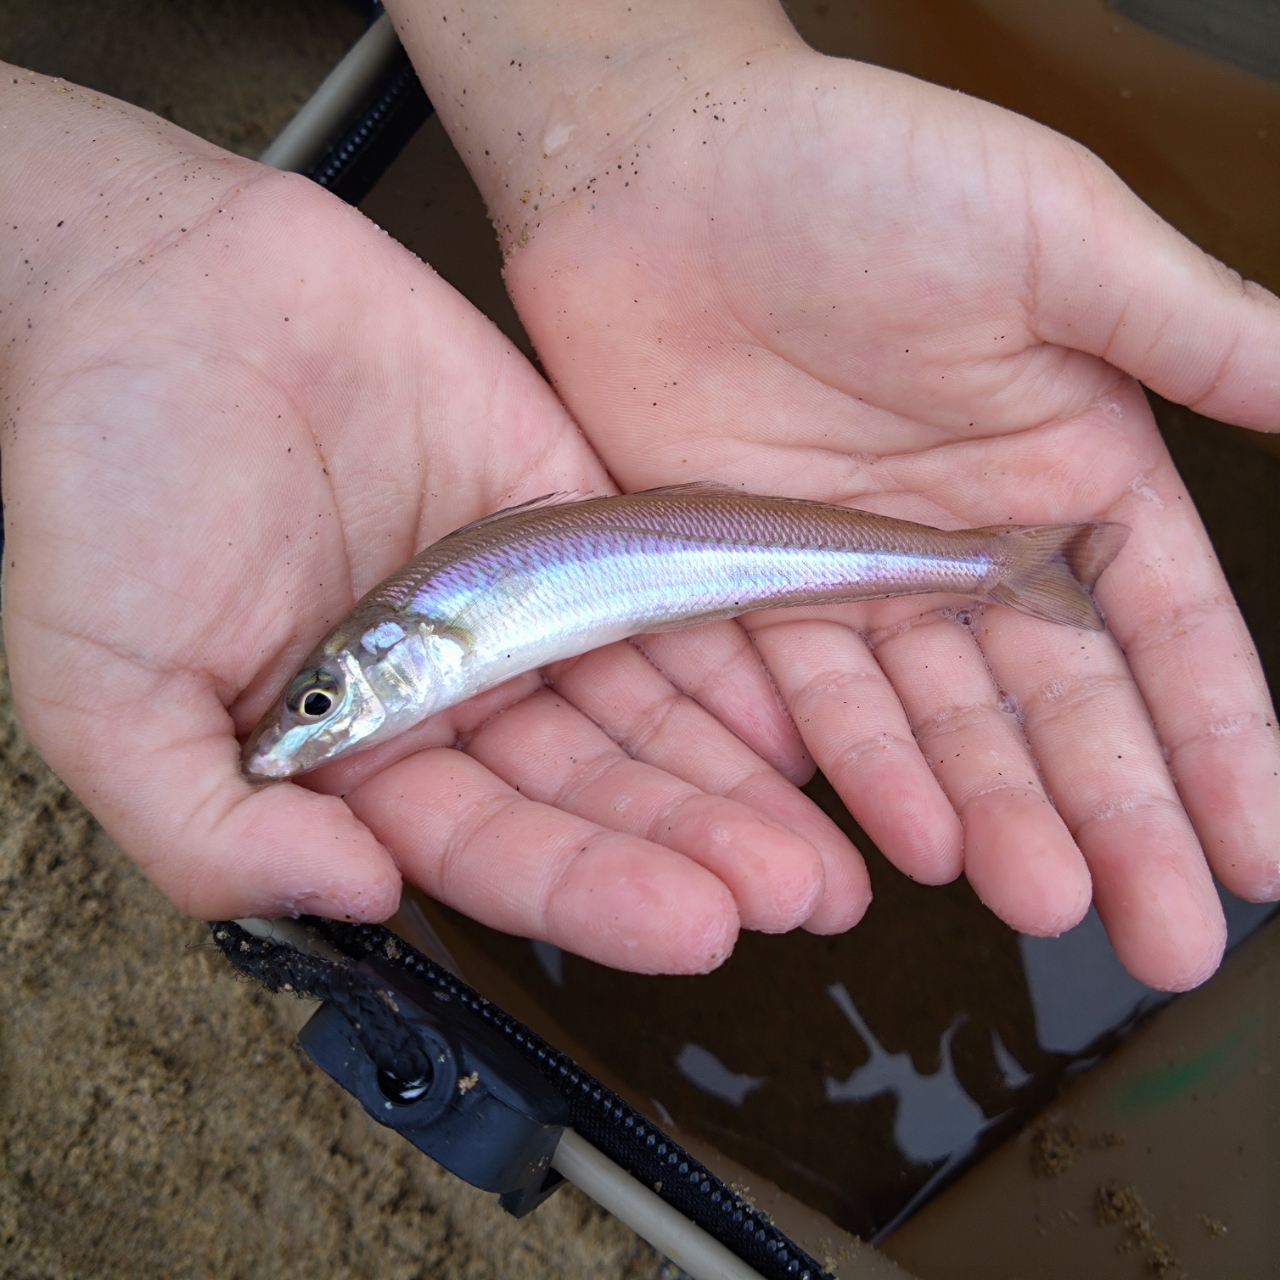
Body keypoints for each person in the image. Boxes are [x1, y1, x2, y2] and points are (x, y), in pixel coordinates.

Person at [1, 0, 1275, 994]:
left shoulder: (427, 623)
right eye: (322, 708)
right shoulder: (425, 626)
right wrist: (82, 253)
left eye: (324, 699)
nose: (307, 728)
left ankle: (995, 561)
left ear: (399, 649)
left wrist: (642, 88)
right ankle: (994, 562)